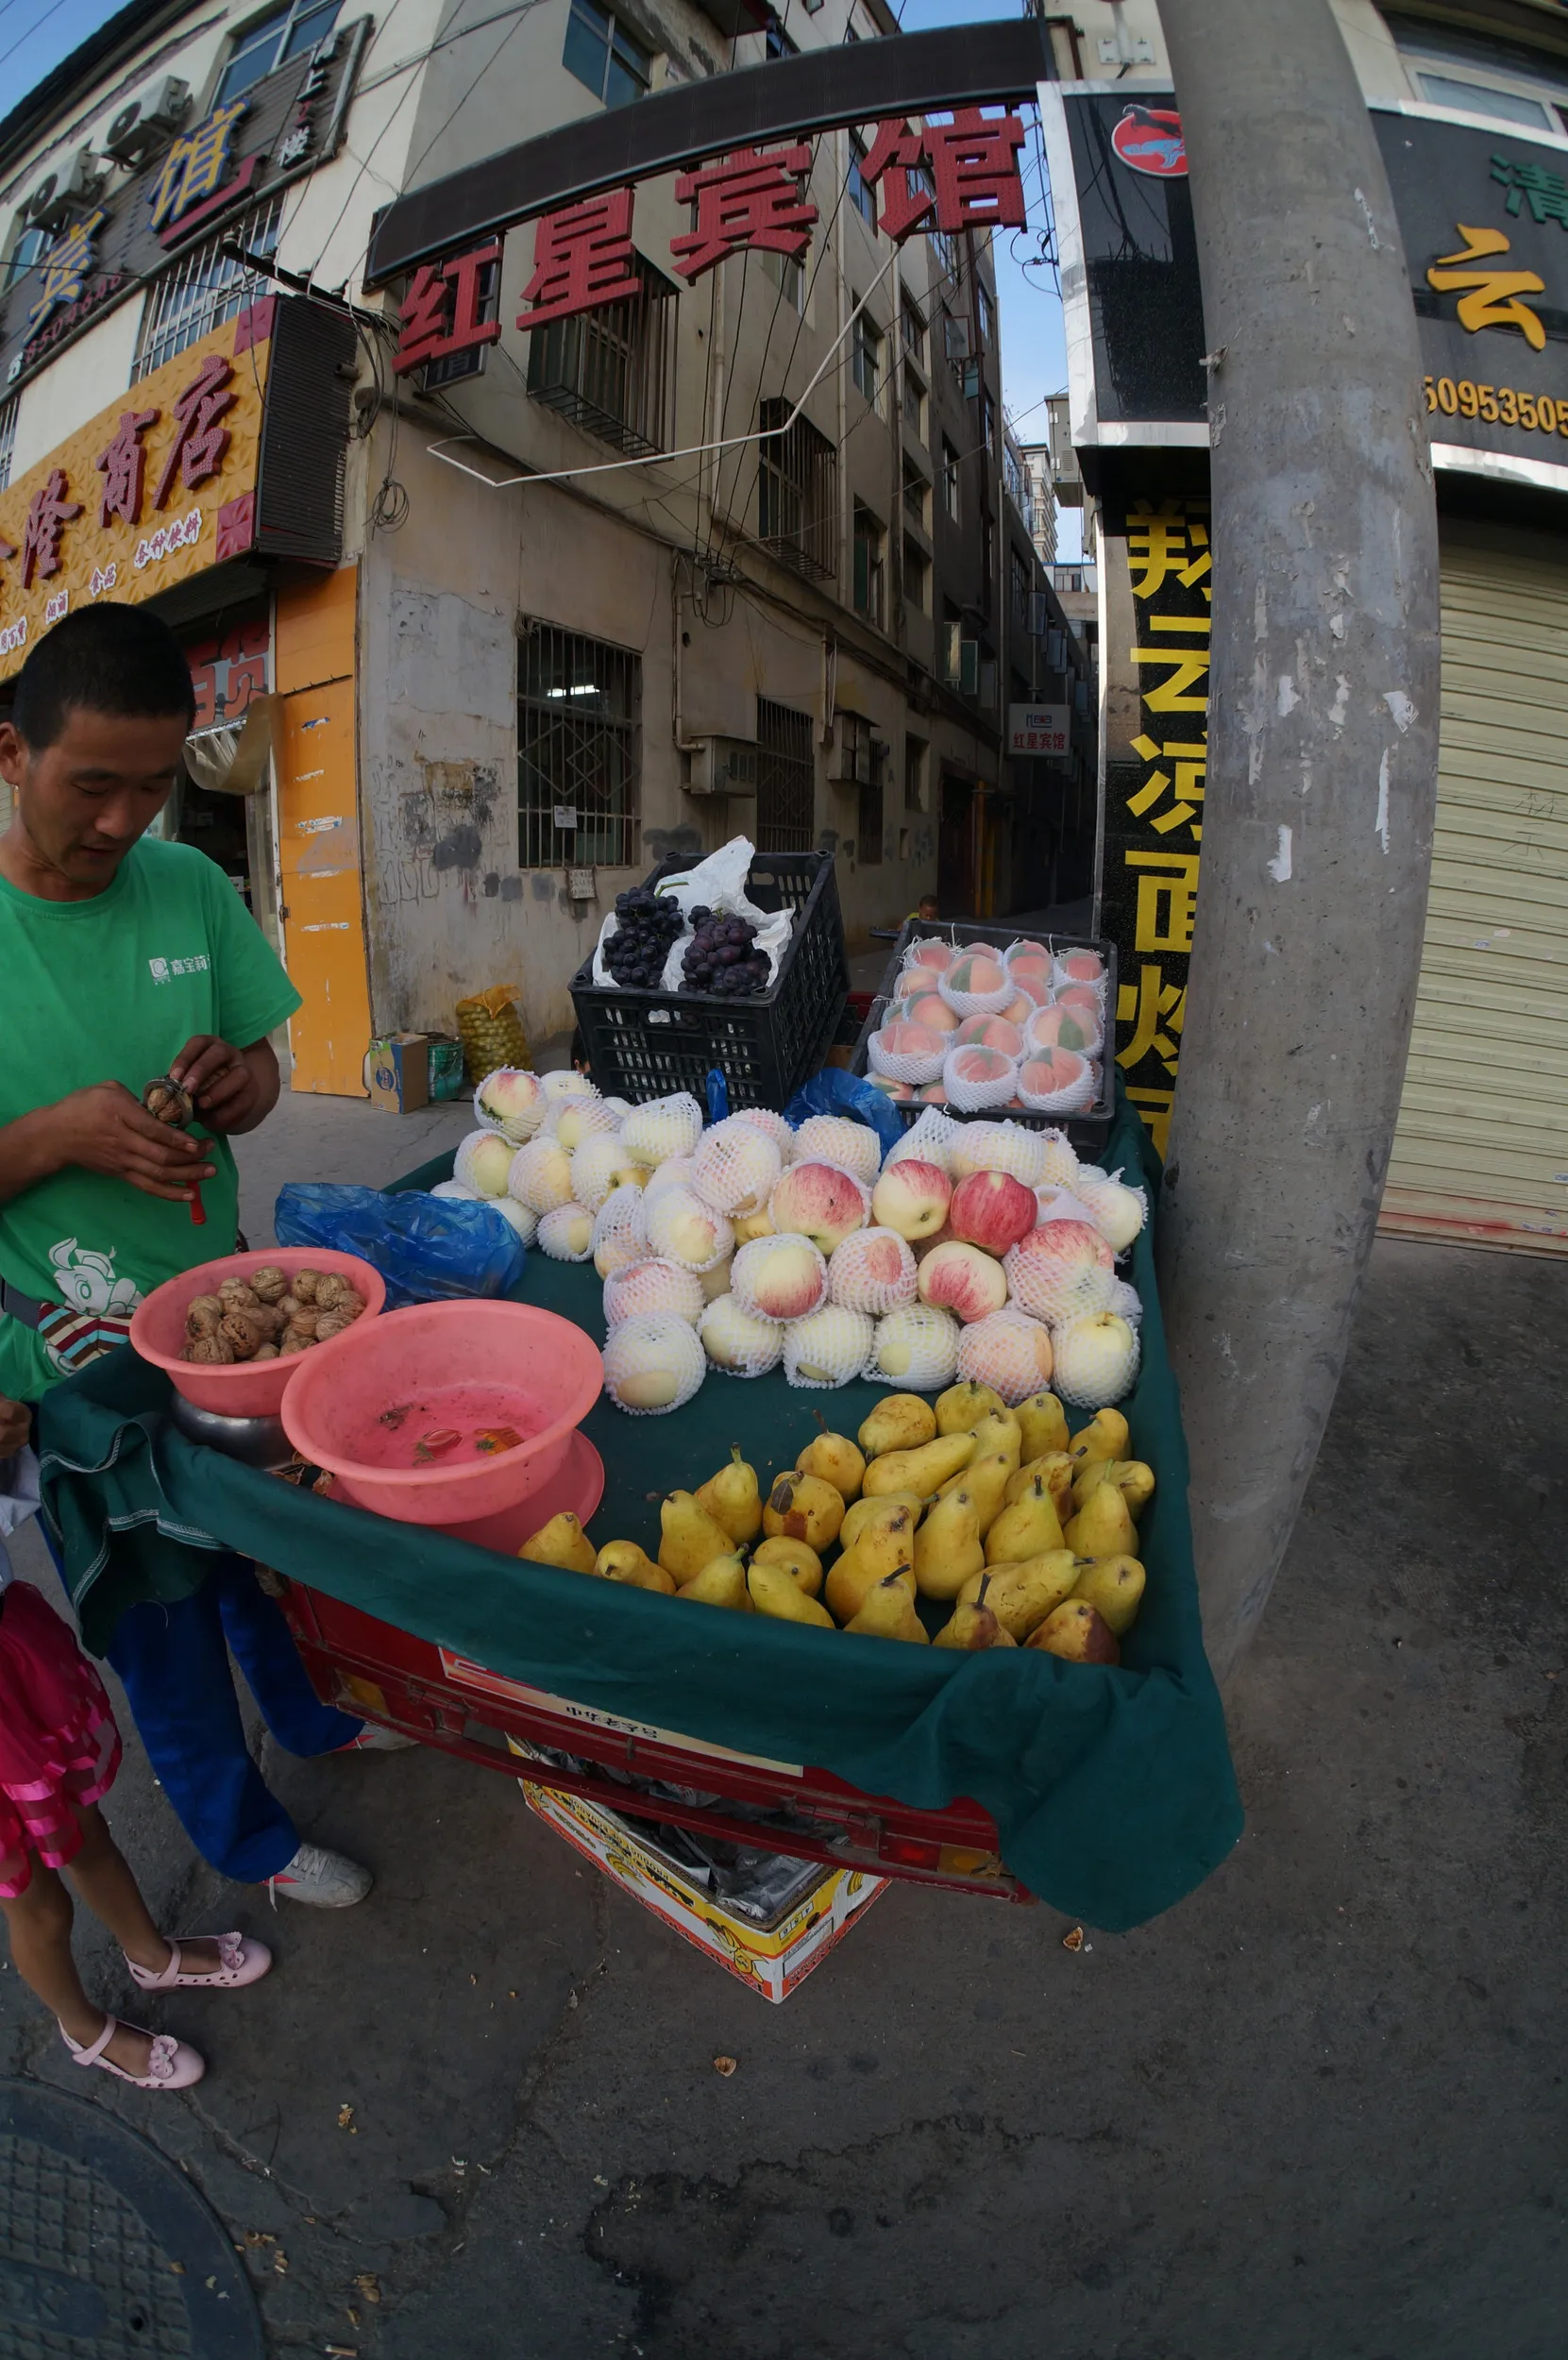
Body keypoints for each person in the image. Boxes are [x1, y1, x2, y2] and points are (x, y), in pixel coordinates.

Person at [0, 602, 397, 1911]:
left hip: (227, 1322)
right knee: (163, 1616)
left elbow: (267, 1063)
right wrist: (51, 1139)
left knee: (263, 1552)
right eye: (92, 785)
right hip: (68, 1366)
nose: (123, 822)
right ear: (12, 756)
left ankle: (318, 1718)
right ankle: (248, 1842)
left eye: (154, 786)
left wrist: (244, 1085)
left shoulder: (188, 887)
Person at [0, 1390, 271, 2090]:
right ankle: (82, 2028)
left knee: (87, 1830)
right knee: (35, 1896)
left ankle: (149, 1953)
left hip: (11, 1663)